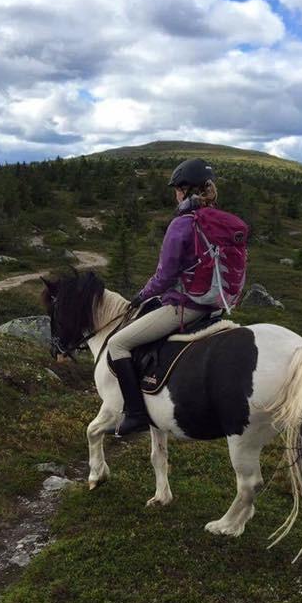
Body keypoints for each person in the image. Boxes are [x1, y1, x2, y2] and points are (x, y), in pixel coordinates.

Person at [107, 158, 223, 437]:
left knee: (117, 343)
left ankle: (135, 414)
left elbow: (164, 277)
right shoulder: (220, 221)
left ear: (184, 190)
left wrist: (140, 296)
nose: (175, 193)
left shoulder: (182, 224)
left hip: (187, 307)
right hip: (216, 306)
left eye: (177, 189)